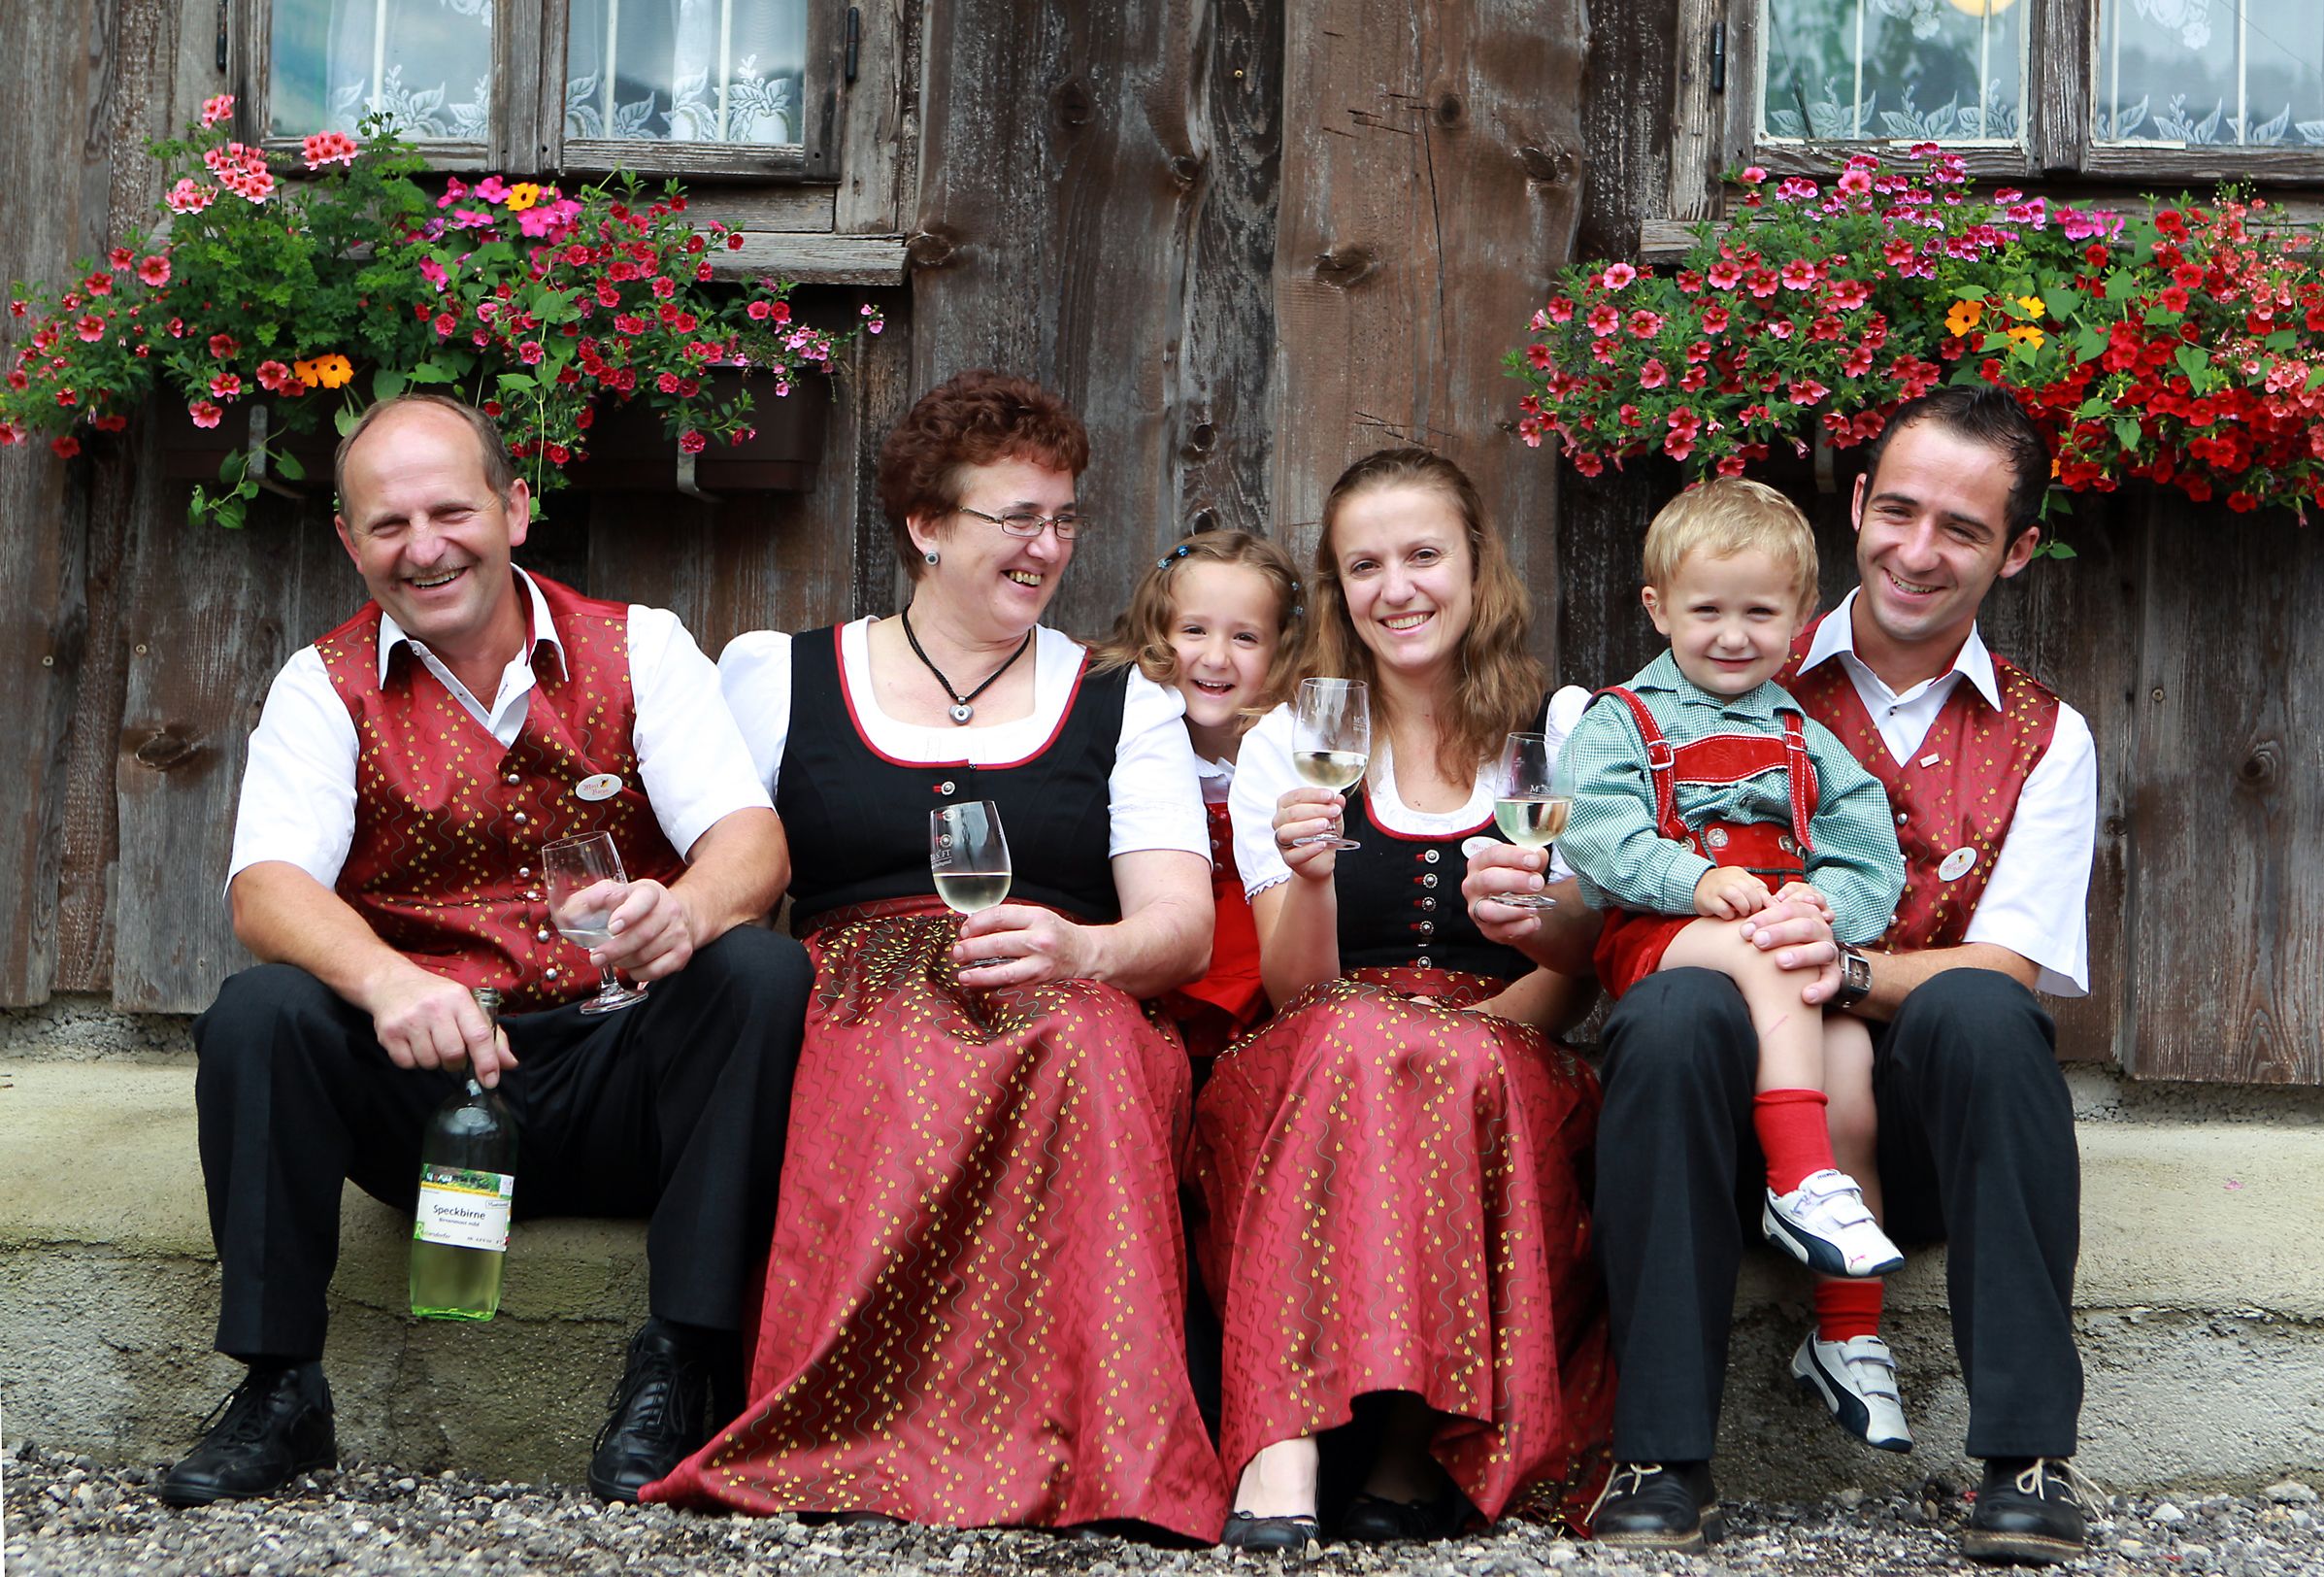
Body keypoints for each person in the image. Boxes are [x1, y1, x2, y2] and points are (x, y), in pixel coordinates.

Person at [1467, 386, 2099, 1564]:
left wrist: (1843, 960)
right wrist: (1530, 915)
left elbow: (2010, 961)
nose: (1918, 550)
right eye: (1898, 509)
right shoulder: (1725, 648)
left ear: (2014, 552)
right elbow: (1606, 911)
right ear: (1857, 506)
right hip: (1706, 1109)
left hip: (1894, 1134)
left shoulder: (2045, 736)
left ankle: (2027, 1454)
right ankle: (1658, 1454)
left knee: (1985, 1011)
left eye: (1961, 528)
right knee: (1672, 1009)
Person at [167, 394, 811, 1509]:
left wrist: (693, 911)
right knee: (258, 1013)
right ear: (348, 540)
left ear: (515, 507)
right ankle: (279, 1388)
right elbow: (265, 887)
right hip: (433, 1091)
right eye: (388, 524)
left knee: (760, 970)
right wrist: (389, 981)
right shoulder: (322, 684)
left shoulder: (640, 645)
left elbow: (750, 840)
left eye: (451, 510)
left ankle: (682, 1365)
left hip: (625, 1077)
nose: (424, 547)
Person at [644, 370, 1228, 1538]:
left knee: (1092, 1051)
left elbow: (1182, 927)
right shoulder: (780, 674)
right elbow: (722, 866)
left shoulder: (1123, 699)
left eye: (1063, 519)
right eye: (1017, 519)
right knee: (875, 1053)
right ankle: (855, 1437)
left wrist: (1085, 948)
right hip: (848, 985)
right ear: (926, 526)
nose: (1048, 546)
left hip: (1063, 983)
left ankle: (1100, 1450)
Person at [1189, 448, 1612, 1553]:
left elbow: (1582, 967)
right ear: (1339, 590)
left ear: (1478, 568)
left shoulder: (1559, 730)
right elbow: (1296, 991)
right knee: (1351, 1041)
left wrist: (1490, 988)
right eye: (1365, 565)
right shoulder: (1291, 742)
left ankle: (1407, 1441)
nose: (1398, 588)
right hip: (1316, 1049)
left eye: (1425, 555)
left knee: (1423, 1061)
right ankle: (1282, 1440)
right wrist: (1316, 874)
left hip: (1504, 1040)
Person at [1558, 479, 1913, 1450]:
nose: (1730, 634)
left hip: (1780, 947)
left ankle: (1846, 1333)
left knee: (1854, 1085)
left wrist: (1822, 902)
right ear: (1657, 605)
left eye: (1759, 612)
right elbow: (1597, 834)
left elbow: (1869, 854)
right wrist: (1691, 877)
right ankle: (1797, 1178)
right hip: (1665, 941)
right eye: (1706, 609)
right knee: (1761, 951)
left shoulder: (1806, 735)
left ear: (1801, 619)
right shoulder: (1622, 721)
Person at [1093, 529, 1310, 1059]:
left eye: (1245, 638)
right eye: (1193, 630)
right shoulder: (1126, 742)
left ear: (1282, 648)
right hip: (1156, 980)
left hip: (1266, 980)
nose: (1216, 657)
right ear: (1154, 634)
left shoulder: (1296, 750)